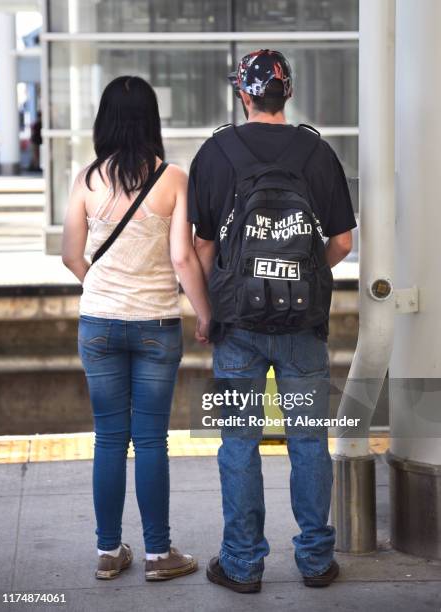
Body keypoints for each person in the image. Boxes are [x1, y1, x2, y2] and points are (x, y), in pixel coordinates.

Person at [188, 50, 357, 592]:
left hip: (236, 327)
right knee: (310, 441)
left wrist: (212, 310)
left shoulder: (215, 153)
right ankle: (315, 562)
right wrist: (300, 277)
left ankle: (241, 564)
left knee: (237, 444)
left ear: (243, 93)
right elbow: (343, 242)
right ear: (287, 93)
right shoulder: (318, 152)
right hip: (303, 328)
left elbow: (202, 248)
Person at [62, 76, 210, 581]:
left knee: (107, 439)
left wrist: (101, 289)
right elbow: (182, 257)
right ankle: (157, 555)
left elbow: (70, 256)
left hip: (98, 323)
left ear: (105, 121)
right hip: (156, 325)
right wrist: (204, 312)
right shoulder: (173, 179)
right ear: (152, 121)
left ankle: (108, 552)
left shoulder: (85, 178)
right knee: (150, 441)